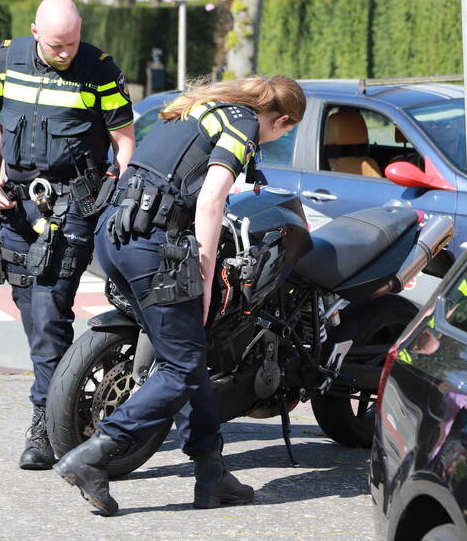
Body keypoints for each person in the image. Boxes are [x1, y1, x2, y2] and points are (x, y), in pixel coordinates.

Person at [53, 75, 306, 516]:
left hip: (114, 233)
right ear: (281, 119)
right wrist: (206, 278)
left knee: (190, 354)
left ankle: (212, 473)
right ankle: (93, 455)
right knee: (184, 366)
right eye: (284, 131)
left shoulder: (198, 108)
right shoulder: (243, 123)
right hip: (152, 244)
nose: (278, 136)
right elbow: (211, 202)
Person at [0, 0, 135, 471]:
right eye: (56, 45)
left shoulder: (99, 68)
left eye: (72, 42)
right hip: (17, 206)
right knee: (31, 313)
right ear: (34, 32)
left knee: (48, 316)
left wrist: (113, 188)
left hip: (70, 205)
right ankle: (71, 404)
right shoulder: (6, 59)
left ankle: (46, 427)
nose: (66, 52)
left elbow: (123, 137)